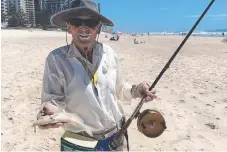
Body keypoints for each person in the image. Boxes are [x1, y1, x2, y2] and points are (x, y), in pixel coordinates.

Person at [36, 0, 157, 151]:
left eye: (91, 22)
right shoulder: (56, 59)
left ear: (98, 27)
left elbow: (120, 89)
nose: (83, 27)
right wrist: (49, 111)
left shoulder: (109, 53)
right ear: (68, 27)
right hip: (82, 142)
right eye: (76, 21)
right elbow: (52, 101)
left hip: (118, 135)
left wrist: (136, 90)